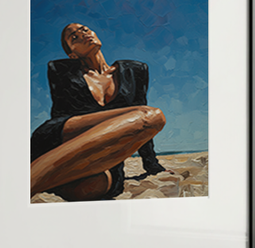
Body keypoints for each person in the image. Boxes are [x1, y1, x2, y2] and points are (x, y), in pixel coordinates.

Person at [30, 23, 167, 201]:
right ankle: (25, 183)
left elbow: (138, 132)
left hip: (100, 156)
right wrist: (137, 111)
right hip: (61, 138)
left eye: (84, 29)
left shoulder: (134, 71)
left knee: (95, 185)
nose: (82, 33)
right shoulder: (62, 70)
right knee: (152, 116)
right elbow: (61, 117)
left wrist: (151, 165)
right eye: (74, 37)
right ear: (72, 54)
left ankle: (34, 179)